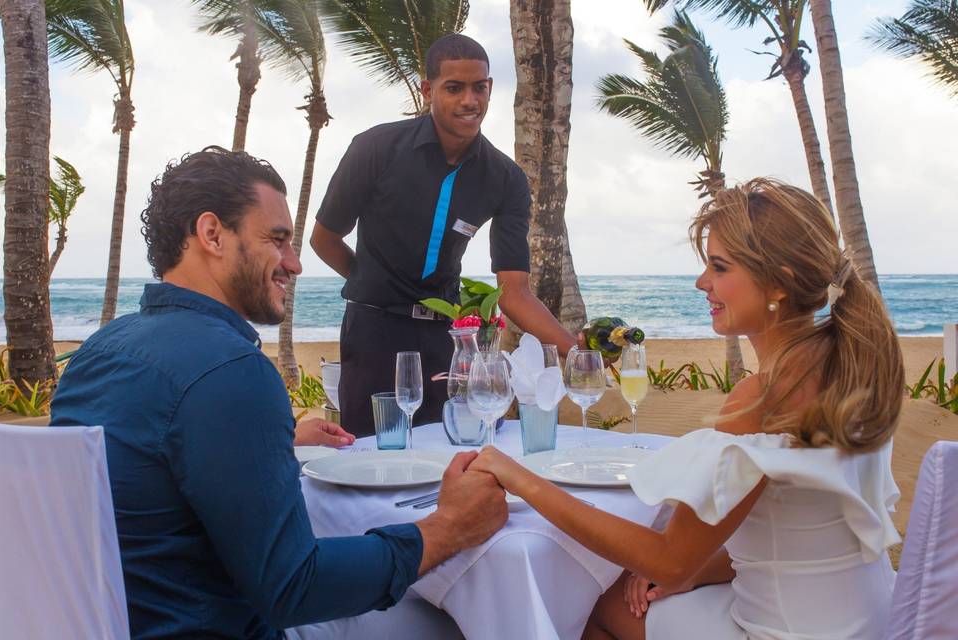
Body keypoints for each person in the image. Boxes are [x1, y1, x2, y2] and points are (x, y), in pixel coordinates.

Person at [50, 147, 507, 639]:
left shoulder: (98, 352)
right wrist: (450, 527)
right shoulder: (230, 370)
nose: (295, 263)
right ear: (211, 235)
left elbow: (147, 472)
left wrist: (272, 439)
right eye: (278, 239)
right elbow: (295, 587)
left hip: (118, 621)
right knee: (471, 620)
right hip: (223, 626)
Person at [471, 178, 905, 639]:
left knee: (587, 604)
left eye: (719, 268)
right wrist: (696, 572)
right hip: (866, 619)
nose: (702, 283)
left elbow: (667, 559)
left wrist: (522, 479)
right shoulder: (853, 365)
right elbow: (803, 534)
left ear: (779, 283)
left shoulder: (763, 398)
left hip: (789, 629)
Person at [311, 33, 578, 436]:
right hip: (373, 333)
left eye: (480, 88)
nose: (470, 101)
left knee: (446, 454)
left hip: (447, 340)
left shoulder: (504, 179)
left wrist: (575, 350)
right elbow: (324, 239)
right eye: (454, 88)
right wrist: (373, 283)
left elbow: (514, 292)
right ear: (428, 89)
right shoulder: (375, 149)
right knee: (371, 451)